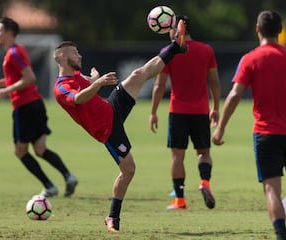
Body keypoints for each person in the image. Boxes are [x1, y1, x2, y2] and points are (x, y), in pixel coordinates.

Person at [53, 20, 186, 232]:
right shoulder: (60, 88)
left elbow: (85, 82)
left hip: (111, 109)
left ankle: (175, 46)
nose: (80, 56)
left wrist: (93, 79)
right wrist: (97, 83)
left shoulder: (76, 75)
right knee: (129, 170)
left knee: (138, 74)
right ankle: (112, 217)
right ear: (63, 57)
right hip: (106, 129)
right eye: (75, 53)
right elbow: (78, 98)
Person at [212, 10, 286, 240]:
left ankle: (281, 235)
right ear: (280, 31)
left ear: (258, 30)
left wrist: (221, 127)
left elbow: (235, 94)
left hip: (266, 134)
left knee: (271, 188)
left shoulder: (250, 59)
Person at [0, 17, 78, 198]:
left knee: (20, 151)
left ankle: (49, 186)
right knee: (40, 149)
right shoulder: (15, 51)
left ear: (9, 33)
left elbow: (29, 78)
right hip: (35, 104)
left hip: (24, 106)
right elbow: (18, 77)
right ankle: (68, 176)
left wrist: (6, 91)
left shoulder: (14, 52)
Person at [149, 15, 220, 210]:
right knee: (203, 152)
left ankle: (179, 199)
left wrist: (153, 112)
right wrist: (216, 108)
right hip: (200, 110)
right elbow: (214, 81)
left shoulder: (169, 52)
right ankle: (205, 182)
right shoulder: (206, 50)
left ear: (177, 29)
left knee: (177, 156)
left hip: (177, 111)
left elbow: (159, 85)